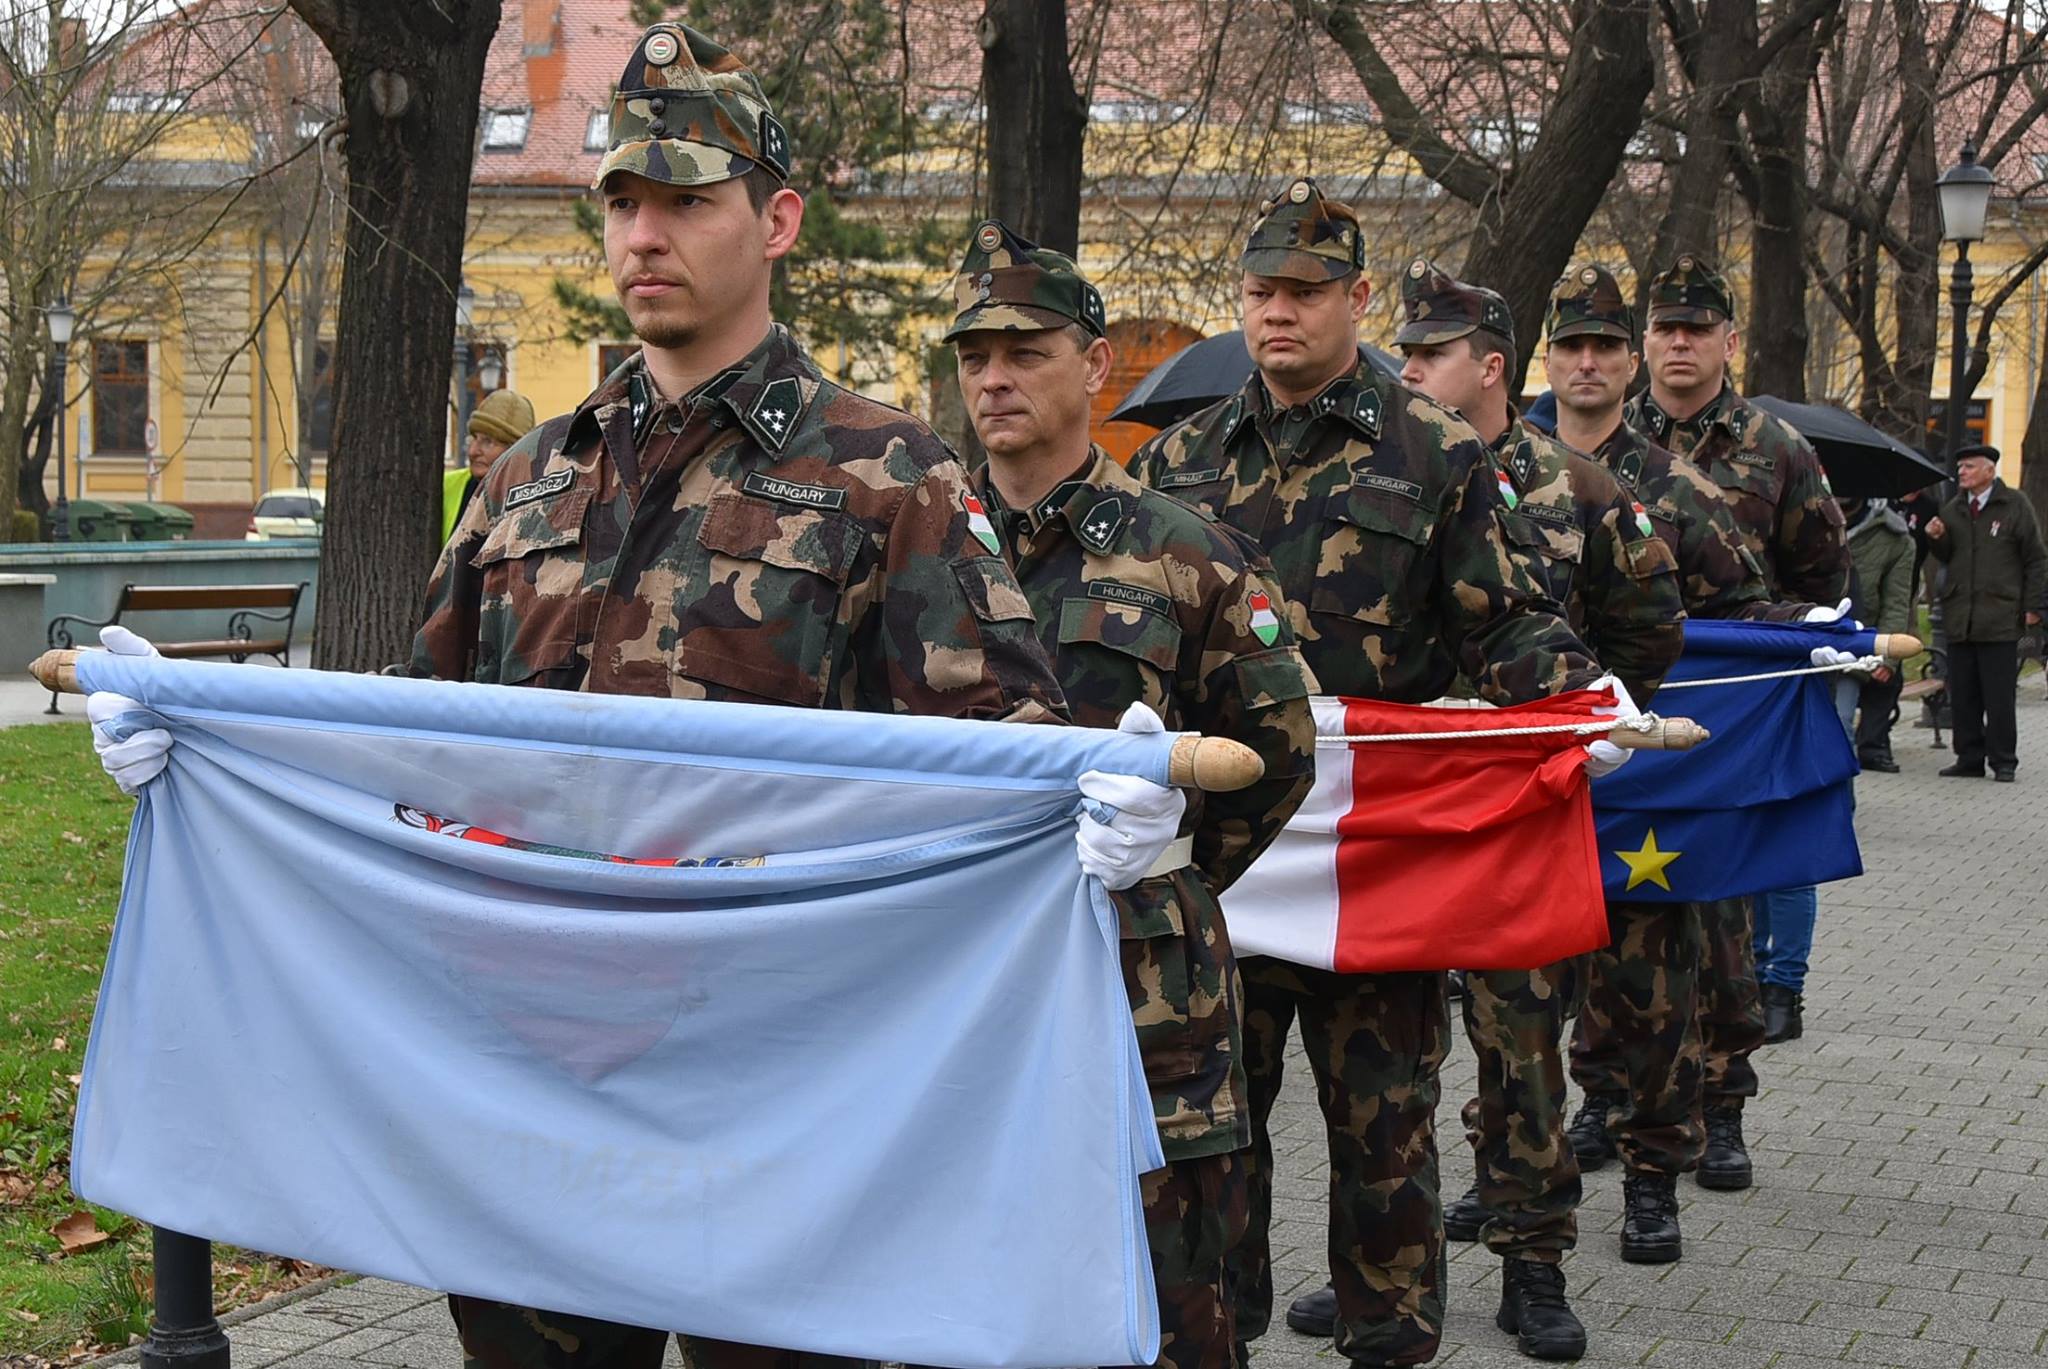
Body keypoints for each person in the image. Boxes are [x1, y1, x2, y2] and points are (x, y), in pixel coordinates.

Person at [385, 23, 1173, 1369]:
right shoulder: (526, 481)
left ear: (779, 221)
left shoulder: (885, 476)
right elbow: (422, 743)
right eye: (623, 201)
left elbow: (1005, 746)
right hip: (540, 1078)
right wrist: (225, 764)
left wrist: (1095, 804)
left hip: (784, 1096)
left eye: (688, 200)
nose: (644, 234)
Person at [1130, 178, 1628, 1369]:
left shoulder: (1433, 448)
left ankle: (1388, 1342)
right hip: (1225, 865)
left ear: (1357, 296)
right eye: (1259, 290)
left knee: (1385, 1136)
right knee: (1209, 1139)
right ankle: (1216, 1342)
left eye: (1304, 291)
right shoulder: (1178, 460)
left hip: (1373, 859)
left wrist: (1576, 697)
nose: (1277, 312)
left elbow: (1500, 621)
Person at [946, 219, 1317, 1369]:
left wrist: (1167, 859)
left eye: (1026, 352)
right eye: (973, 357)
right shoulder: (918, 541)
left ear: (1094, 365)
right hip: (960, 973)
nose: (994, 379)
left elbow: (1276, 749)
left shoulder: (1184, 552)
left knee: (1168, 1302)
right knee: (969, 1287)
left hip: (1142, 987)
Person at [1394, 261, 1683, 1360]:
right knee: (1386, 1051)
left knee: (1519, 1046)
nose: (1408, 370)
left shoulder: (1575, 488)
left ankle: (1533, 1260)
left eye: (1430, 354)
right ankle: (1390, 1266)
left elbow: (1650, 621)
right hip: (1405, 812)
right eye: (1403, 352)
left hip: (1521, 810)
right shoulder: (1386, 474)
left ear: (1489, 368)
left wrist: (1579, 726)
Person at [1545, 262, 1822, 1261]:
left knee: (1690, 954)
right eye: (1572, 345)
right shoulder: (1503, 466)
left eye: (1607, 346)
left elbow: (1768, 599)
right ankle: (1565, 1133)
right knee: (1551, 971)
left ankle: (1697, 1122)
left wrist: (1807, 647)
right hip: (1547, 764)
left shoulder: (1706, 474)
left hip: (1680, 760)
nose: (1592, 361)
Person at [1596, 254, 1851, 1197]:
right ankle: (1602, 1093)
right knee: (1606, 904)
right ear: (1643, 344)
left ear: (1728, 341)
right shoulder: (1602, 439)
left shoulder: (1775, 449)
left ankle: (1723, 1100)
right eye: (1665, 328)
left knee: (1722, 919)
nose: (1679, 343)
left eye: (1696, 329)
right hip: (1623, 713)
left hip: (1728, 722)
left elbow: (1819, 579)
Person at [1926, 445, 2047, 782]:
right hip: (1960, 616)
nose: (1961, 472)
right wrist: (1936, 539)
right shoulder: (1954, 509)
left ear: (1989, 471)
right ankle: (1969, 758)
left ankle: (2003, 760)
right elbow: (1947, 556)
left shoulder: (2014, 505)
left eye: (1969, 466)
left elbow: (2035, 559)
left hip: (2000, 616)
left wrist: (2033, 607)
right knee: (1964, 695)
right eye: (1960, 467)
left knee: (1999, 697)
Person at [1842, 495, 1916, 778]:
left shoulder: (1894, 539)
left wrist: (1887, 656)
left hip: (1860, 639)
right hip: (1809, 634)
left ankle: (1870, 751)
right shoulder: (1809, 520)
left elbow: (1896, 603)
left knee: (1842, 723)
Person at [443, 387, 537, 542]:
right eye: (474, 438)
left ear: (516, 451)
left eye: (488, 442)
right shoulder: (447, 486)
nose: (473, 451)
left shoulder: (537, 500)